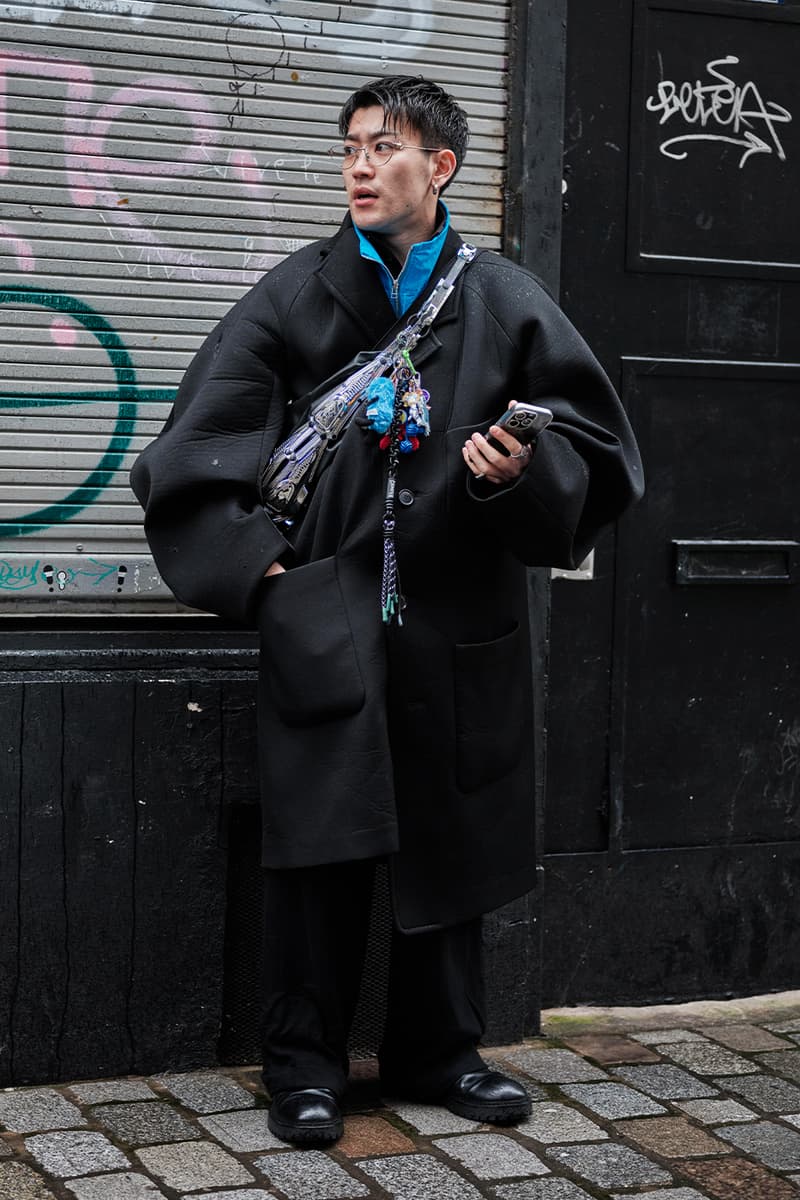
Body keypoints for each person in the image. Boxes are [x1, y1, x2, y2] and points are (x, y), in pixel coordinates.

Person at [131, 75, 643, 1145]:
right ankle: (301, 1070)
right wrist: (262, 574)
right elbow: (190, 445)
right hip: (324, 617)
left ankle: (440, 1057)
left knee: (451, 846)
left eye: (385, 147)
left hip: (460, 623)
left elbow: (595, 451)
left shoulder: (502, 298)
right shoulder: (295, 293)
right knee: (315, 853)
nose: (360, 166)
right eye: (351, 148)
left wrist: (514, 476)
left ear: (440, 168)